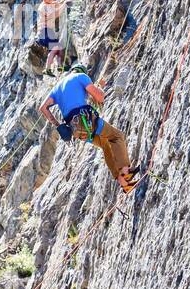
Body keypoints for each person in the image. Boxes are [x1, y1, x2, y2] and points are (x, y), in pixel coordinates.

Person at [40, 63, 138, 192]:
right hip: (86, 120)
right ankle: (126, 172)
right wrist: (100, 88)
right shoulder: (81, 76)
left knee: (105, 144)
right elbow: (100, 97)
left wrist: (58, 125)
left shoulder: (57, 88)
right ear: (82, 71)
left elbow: (43, 108)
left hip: (75, 130)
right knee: (116, 136)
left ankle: (124, 183)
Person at [35, 0, 66, 76]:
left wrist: (58, 3)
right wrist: (64, 5)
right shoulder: (43, 8)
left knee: (59, 47)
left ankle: (60, 66)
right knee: (55, 48)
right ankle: (47, 69)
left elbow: (55, 5)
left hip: (48, 32)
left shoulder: (48, 3)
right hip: (44, 32)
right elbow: (55, 14)